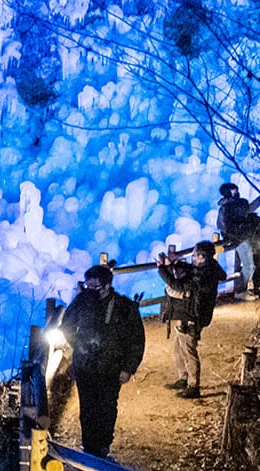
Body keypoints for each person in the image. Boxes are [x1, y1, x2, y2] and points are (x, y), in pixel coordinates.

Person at [60, 263, 146, 456]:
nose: (90, 290)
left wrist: (128, 368)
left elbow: (136, 340)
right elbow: (66, 325)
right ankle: (89, 445)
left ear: (107, 285)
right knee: (88, 406)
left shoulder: (124, 307)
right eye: (88, 286)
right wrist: (79, 345)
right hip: (85, 366)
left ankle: (103, 445)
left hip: (111, 367)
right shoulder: (81, 302)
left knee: (107, 406)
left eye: (95, 287)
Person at [158, 241, 227, 400]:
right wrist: (171, 265)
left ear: (207, 258)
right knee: (179, 347)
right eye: (195, 255)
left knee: (188, 349)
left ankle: (193, 386)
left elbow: (178, 285)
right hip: (188, 313)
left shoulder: (204, 275)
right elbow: (186, 272)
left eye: (199, 256)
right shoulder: (205, 269)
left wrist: (162, 270)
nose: (195, 259)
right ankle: (184, 378)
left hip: (194, 317)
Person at [216, 182, 259, 297]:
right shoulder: (225, 208)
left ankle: (249, 288)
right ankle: (241, 291)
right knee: (249, 265)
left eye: (235, 189)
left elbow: (249, 210)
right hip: (239, 239)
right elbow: (224, 226)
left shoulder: (241, 203)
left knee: (253, 264)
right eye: (232, 189)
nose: (236, 191)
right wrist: (233, 237)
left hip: (249, 236)